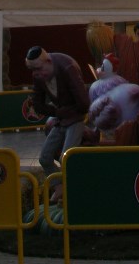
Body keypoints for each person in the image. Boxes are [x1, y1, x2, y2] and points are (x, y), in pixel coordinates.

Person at [25, 46, 90, 177]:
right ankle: (60, 185)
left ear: (48, 62)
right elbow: (38, 104)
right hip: (61, 120)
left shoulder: (67, 67)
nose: (36, 74)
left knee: (65, 158)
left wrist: (66, 112)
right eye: (33, 70)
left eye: (38, 69)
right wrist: (58, 113)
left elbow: (83, 103)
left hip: (76, 119)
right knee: (44, 158)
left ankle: (72, 187)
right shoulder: (39, 76)